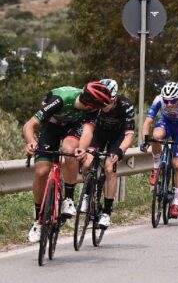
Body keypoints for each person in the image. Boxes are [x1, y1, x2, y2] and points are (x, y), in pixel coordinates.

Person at [23, 81, 112, 242]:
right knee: (41, 171)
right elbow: (30, 124)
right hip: (51, 127)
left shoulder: (93, 109)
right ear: (88, 102)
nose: (96, 110)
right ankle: (38, 220)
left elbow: (87, 130)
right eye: (95, 107)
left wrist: (82, 148)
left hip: (73, 127)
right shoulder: (61, 99)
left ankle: (68, 199)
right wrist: (30, 141)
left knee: (69, 150)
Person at [82, 79, 135, 229]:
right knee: (86, 162)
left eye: (108, 103)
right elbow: (87, 129)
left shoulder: (125, 105)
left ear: (115, 97)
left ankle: (106, 212)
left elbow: (129, 135)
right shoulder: (94, 103)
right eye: (101, 103)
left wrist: (120, 150)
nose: (104, 106)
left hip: (116, 138)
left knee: (109, 167)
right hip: (98, 134)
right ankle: (86, 194)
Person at [140, 82, 178, 219]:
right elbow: (148, 122)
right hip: (166, 122)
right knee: (156, 136)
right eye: (167, 101)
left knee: (177, 164)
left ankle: (176, 202)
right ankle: (156, 166)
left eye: (173, 101)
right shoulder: (158, 99)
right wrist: (145, 140)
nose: (169, 104)